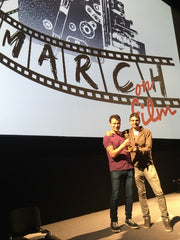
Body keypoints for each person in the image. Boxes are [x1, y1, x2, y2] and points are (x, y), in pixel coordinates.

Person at [106, 112, 173, 232]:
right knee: (141, 194)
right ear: (129, 122)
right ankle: (146, 218)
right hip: (136, 167)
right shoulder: (127, 133)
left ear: (139, 120)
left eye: (136, 120)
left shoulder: (147, 132)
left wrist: (137, 149)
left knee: (159, 192)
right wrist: (108, 132)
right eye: (132, 120)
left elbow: (148, 148)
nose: (134, 122)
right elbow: (114, 134)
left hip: (148, 166)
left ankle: (165, 218)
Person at [103, 114, 139, 233]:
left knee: (129, 195)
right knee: (115, 196)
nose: (116, 125)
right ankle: (114, 221)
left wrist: (131, 149)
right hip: (116, 170)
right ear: (110, 124)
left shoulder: (124, 135)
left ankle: (128, 218)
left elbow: (129, 147)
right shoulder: (107, 137)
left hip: (129, 168)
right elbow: (112, 154)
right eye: (114, 123)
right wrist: (123, 145)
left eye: (118, 123)